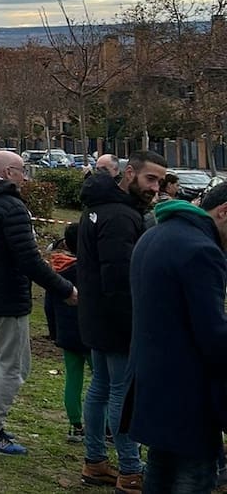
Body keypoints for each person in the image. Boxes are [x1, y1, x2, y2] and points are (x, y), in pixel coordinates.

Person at [0, 150, 77, 456]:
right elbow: (30, 260)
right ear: (9, 172)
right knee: (13, 367)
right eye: (23, 170)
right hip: (5, 297)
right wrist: (64, 289)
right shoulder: (11, 208)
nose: (26, 177)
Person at [76, 150, 167, 491]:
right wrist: (135, 324)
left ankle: (95, 460)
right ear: (129, 174)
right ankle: (130, 469)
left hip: (96, 315)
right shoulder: (119, 217)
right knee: (120, 393)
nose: (155, 187)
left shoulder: (99, 209)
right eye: (150, 179)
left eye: (159, 180)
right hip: (116, 319)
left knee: (101, 388)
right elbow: (120, 278)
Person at [128, 182, 227, 492]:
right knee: (192, 477)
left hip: (153, 382)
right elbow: (212, 337)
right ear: (223, 212)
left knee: (160, 470)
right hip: (189, 394)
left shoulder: (154, 235)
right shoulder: (201, 251)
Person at [43, 223, 90, 444]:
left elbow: (48, 305)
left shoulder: (57, 271)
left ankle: (74, 425)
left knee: (73, 378)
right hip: (91, 335)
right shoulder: (90, 271)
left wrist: (54, 332)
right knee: (103, 382)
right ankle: (108, 426)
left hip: (67, 334)